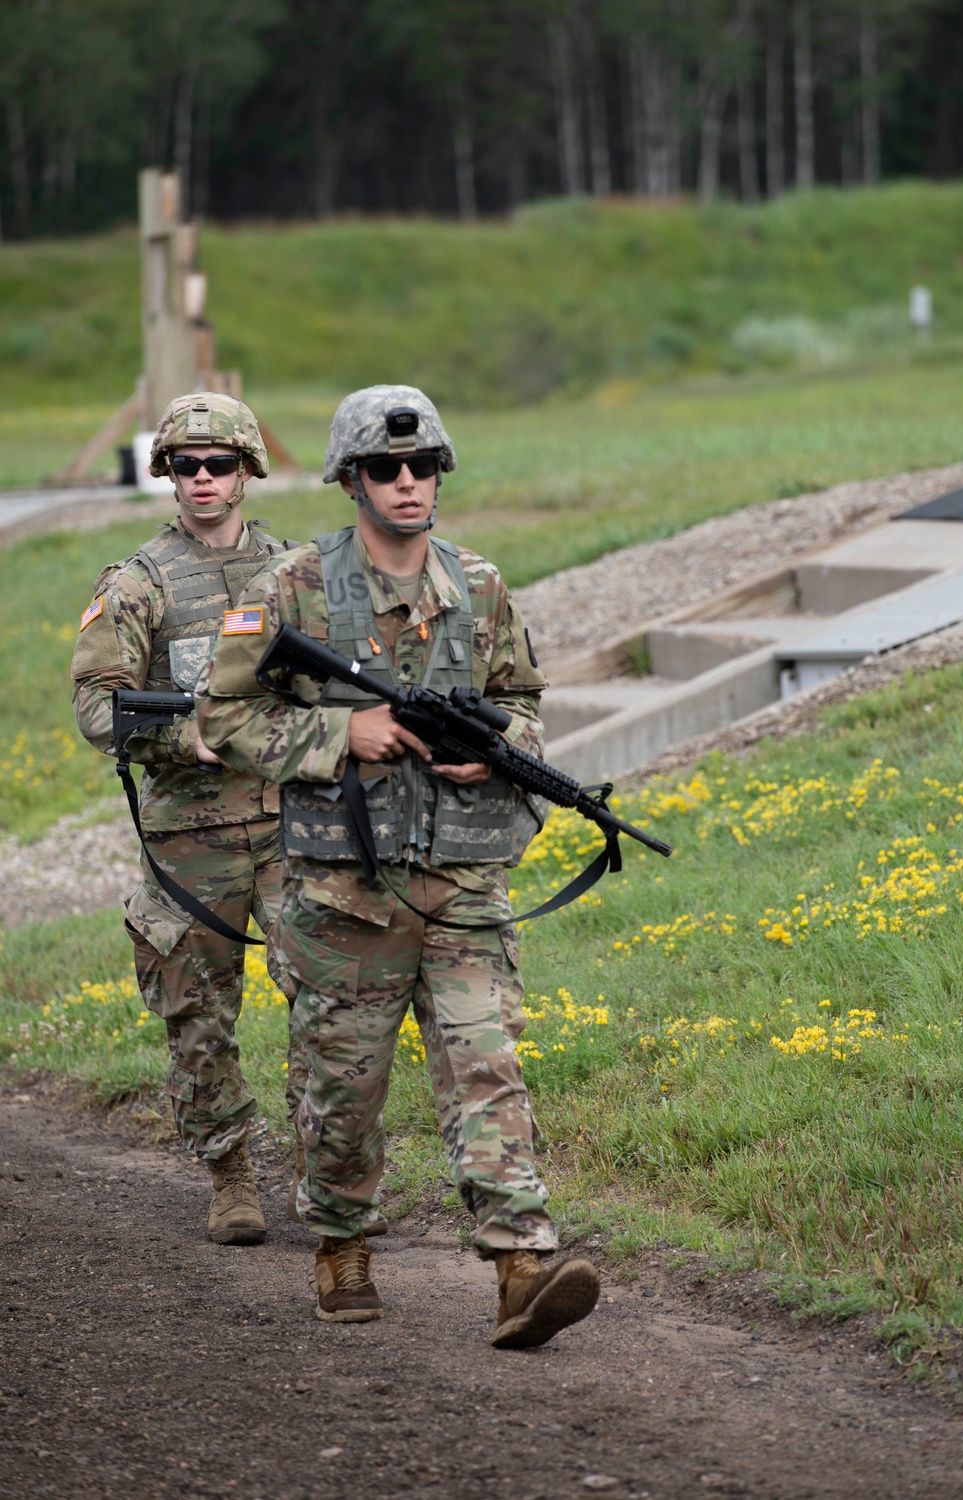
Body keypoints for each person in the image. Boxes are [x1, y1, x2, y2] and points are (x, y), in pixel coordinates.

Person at [196, 384, 600, 1348]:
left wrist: (497, 747)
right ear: (350, 480)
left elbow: (526, 701)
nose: (409, 483)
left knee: (487, 1067)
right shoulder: (292, 588)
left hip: (463, 883)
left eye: (424, 468)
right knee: (345, 1089)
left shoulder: (481, 585)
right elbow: (224, 717)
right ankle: (340, 1241)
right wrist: (347, 730)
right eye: (386, 468)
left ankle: (521, 1267)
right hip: (344, 894)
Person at [71, 391, 305, 1246]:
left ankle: (327, 1176)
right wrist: (185, 738)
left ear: (249, 469)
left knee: (324, 1000)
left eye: (219, 464)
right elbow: (97, 706)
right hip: (188, 839)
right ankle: (231, 1175)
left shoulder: (293, 569)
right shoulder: (135, 583)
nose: (202, 479)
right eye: (183, 465)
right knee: (198, 1018)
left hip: (288, 823)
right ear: (166, 474)